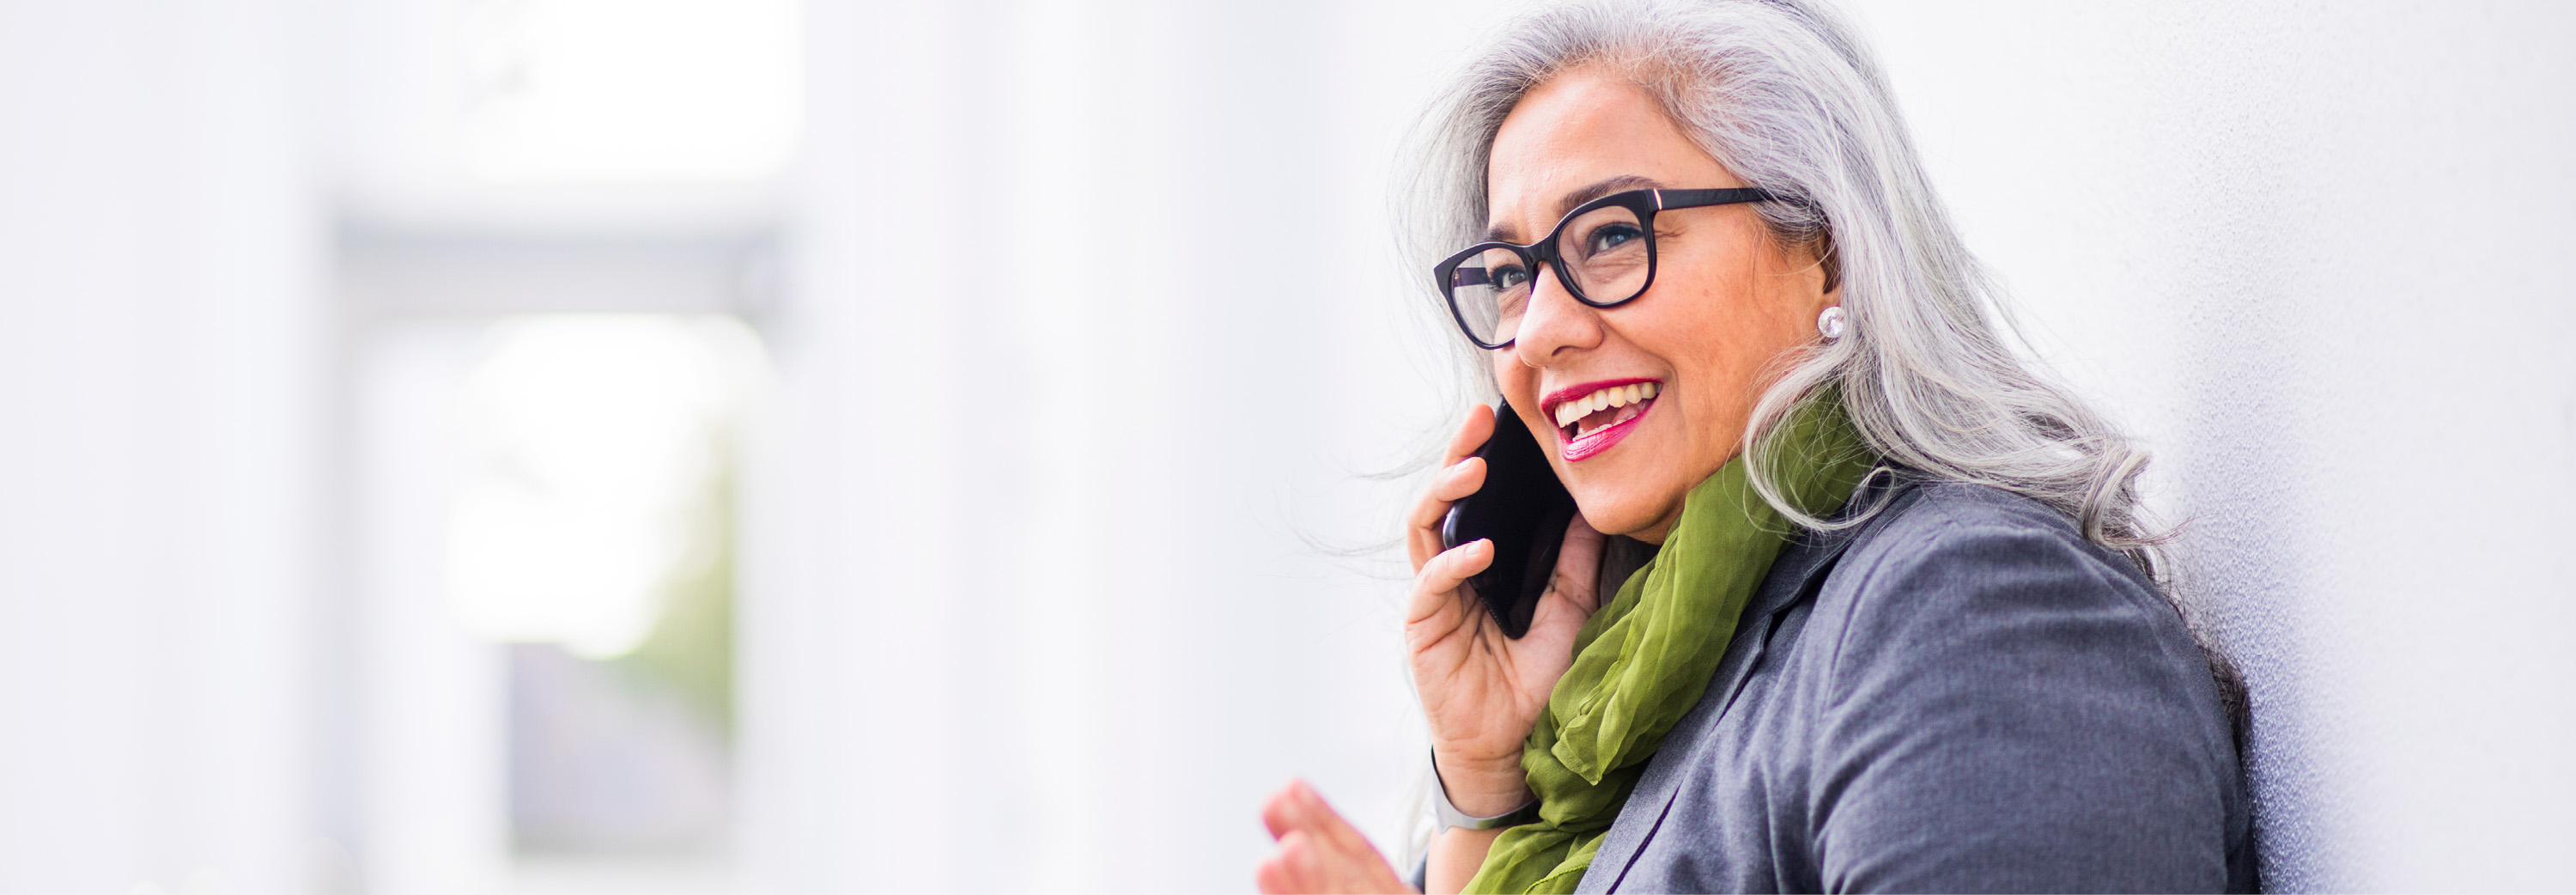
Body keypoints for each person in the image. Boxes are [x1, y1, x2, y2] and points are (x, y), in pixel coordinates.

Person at [1255, 1, 2254, 892]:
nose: (1536, 331)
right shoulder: (1614, 705)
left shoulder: (1976, 605)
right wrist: (1483, 784)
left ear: (1823, 249)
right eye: (1511, 272)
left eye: (1608, 235)